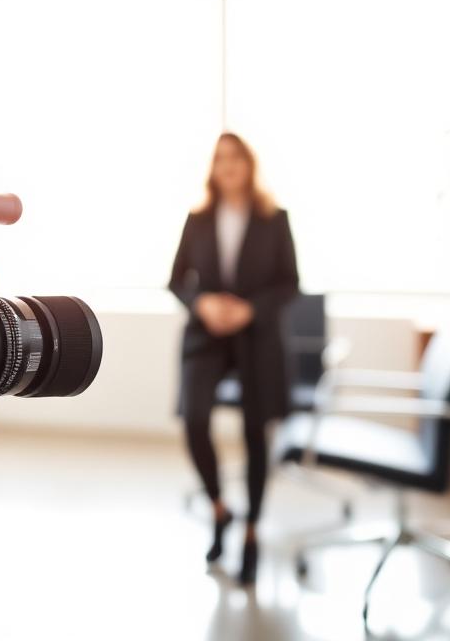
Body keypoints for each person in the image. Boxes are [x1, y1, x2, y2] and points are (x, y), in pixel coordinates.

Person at [168, 131, 299, 585]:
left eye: (235, 158)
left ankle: (251, 531)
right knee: (194, 420)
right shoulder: (198, 218)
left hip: (256, 336)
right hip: (207, 335)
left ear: (248, 165)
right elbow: (177, 281)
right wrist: (202, 304)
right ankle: (221, 510)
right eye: (220, 158)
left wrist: (249, 309)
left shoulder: (273, 218)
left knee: (253, 429)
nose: (228, 166)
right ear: (213, 167)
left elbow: (289, 284)